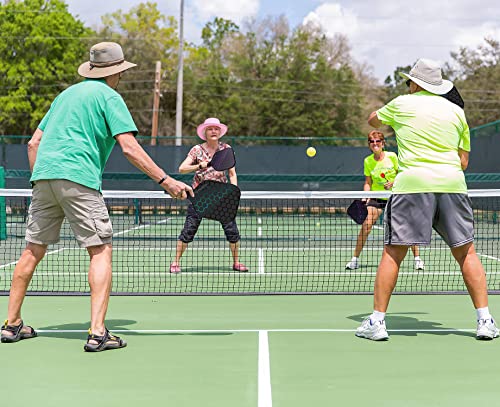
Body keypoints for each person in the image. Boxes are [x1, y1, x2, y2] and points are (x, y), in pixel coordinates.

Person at [0, 42, 193, 351]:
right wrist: (165, 180)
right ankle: (98, 332)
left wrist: (40, 180)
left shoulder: (65, 96)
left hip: (43, 178)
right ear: (116, 72)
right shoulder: (109, 97)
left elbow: (33, 143)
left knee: (32, 251)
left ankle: (11, 325)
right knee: (100, 251)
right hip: (79, 178)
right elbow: (129, 147)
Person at [355, 58, 498, 341]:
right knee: (467, 253)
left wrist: (391, 121)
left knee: (394, 253)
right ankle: (485, 320)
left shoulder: (402, 104)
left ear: (417, 83)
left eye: (409, 81)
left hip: (413, 186)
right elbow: (463, 161)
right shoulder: (457, 113)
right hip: (452, 186)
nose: (407, 85)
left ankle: (377, 322)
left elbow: (373, 120)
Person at [170, 118, 248, 274]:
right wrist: (201, 165)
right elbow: (182, 169)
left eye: (216, 129)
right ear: (204, 132)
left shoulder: (226, 149)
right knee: (189, 229)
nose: (214, 131)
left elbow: (232, 173)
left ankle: (236, 262)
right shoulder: (197, 150)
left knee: (232, 231)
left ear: (220, 132)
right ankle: (175, 262)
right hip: (200, 196)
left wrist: (233, 192)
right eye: (210, 129)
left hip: (222, 197)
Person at [345, 130, 424, 270]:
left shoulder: (392, 157)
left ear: (383, 143)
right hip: (377, 199)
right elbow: (368, 182)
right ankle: (354, 259)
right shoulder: (368, 161)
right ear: (369, 144)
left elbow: (403, 174)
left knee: (407, 226)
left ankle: (417, 259)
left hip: (395, 196)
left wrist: (393, 182)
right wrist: (365, 195)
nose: (375, 144)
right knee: (366, 225)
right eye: (372, 142)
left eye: (377, 141)